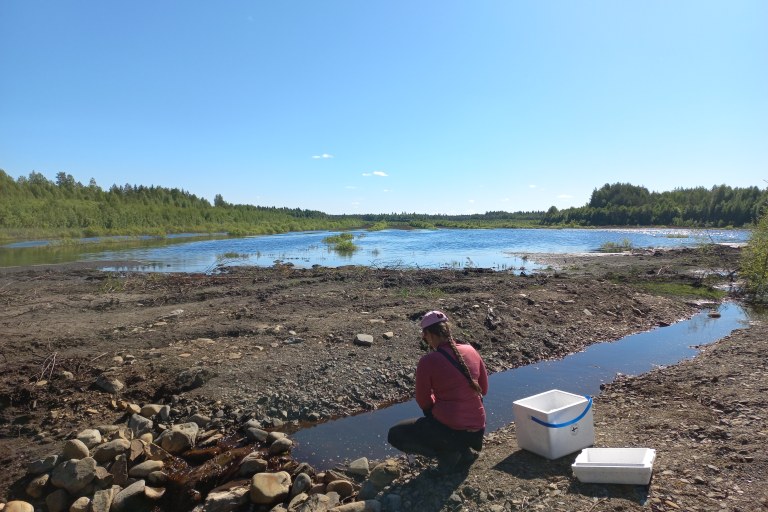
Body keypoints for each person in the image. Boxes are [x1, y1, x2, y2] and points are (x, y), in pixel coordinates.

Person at [388, 310, 489, 474]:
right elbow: (483, 390)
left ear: (428, 333)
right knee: (446, 421)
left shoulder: (428, 361)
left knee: (395, 434)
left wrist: (439, 404)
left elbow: (423, 401)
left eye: (424, 336)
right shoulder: (470, 350)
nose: (425, 340)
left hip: (452, 432)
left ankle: (449, 453)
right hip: (477, 431)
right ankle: (464, 451)